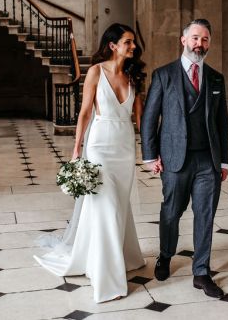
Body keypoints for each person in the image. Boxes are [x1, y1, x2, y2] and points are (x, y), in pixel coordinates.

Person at [34, 23, 146, 303]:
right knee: (105, 207)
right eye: (128, 42)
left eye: (133, 43)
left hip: (124, 147)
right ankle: (108, 279)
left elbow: (141, 118)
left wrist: (151, 150)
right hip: (99, 147)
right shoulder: (96, 71)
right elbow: (84, 113)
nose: (133, 47)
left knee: (119, 205)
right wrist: (76, 149)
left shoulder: (133, 76)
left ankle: (121, 255)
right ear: (113, 45)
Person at [141, 18, 228, 298]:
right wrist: (149, 155)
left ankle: (201, 272)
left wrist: (224, 161)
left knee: (205, 215)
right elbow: (149, 119)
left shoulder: (216, 78)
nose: (199, 44)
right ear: (183, 40)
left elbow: (222, 122)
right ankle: (165, 255)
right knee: (172, 211)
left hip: (208, 161)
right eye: (194, 38)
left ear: (209, 43)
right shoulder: (164, 75)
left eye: (204, 39)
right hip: (174, 160)